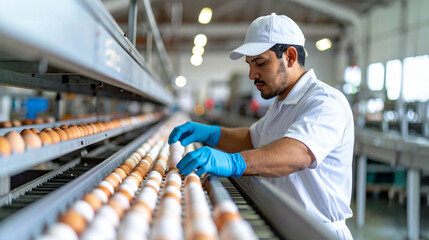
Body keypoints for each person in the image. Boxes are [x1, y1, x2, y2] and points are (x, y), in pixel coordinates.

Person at [169, 13, 354, 240]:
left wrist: (233, 162)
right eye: (249, 64)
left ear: (290, 56)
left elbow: (298, 154)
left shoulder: (324, 101)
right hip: (281, 224)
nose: (251, 74)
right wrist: (211, 133)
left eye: (260, 62)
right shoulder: (282, 103)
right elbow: (252, 137)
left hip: (316, 231)